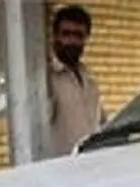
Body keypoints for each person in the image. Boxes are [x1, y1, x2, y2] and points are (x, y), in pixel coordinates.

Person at [47, 4, 107, 157]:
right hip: (58, 165)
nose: (72, 41)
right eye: (66, 34)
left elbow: (101, 123)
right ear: (55, 36)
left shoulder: (88, 78)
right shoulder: (46, 78)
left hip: (90, 163)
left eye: (78, 35)